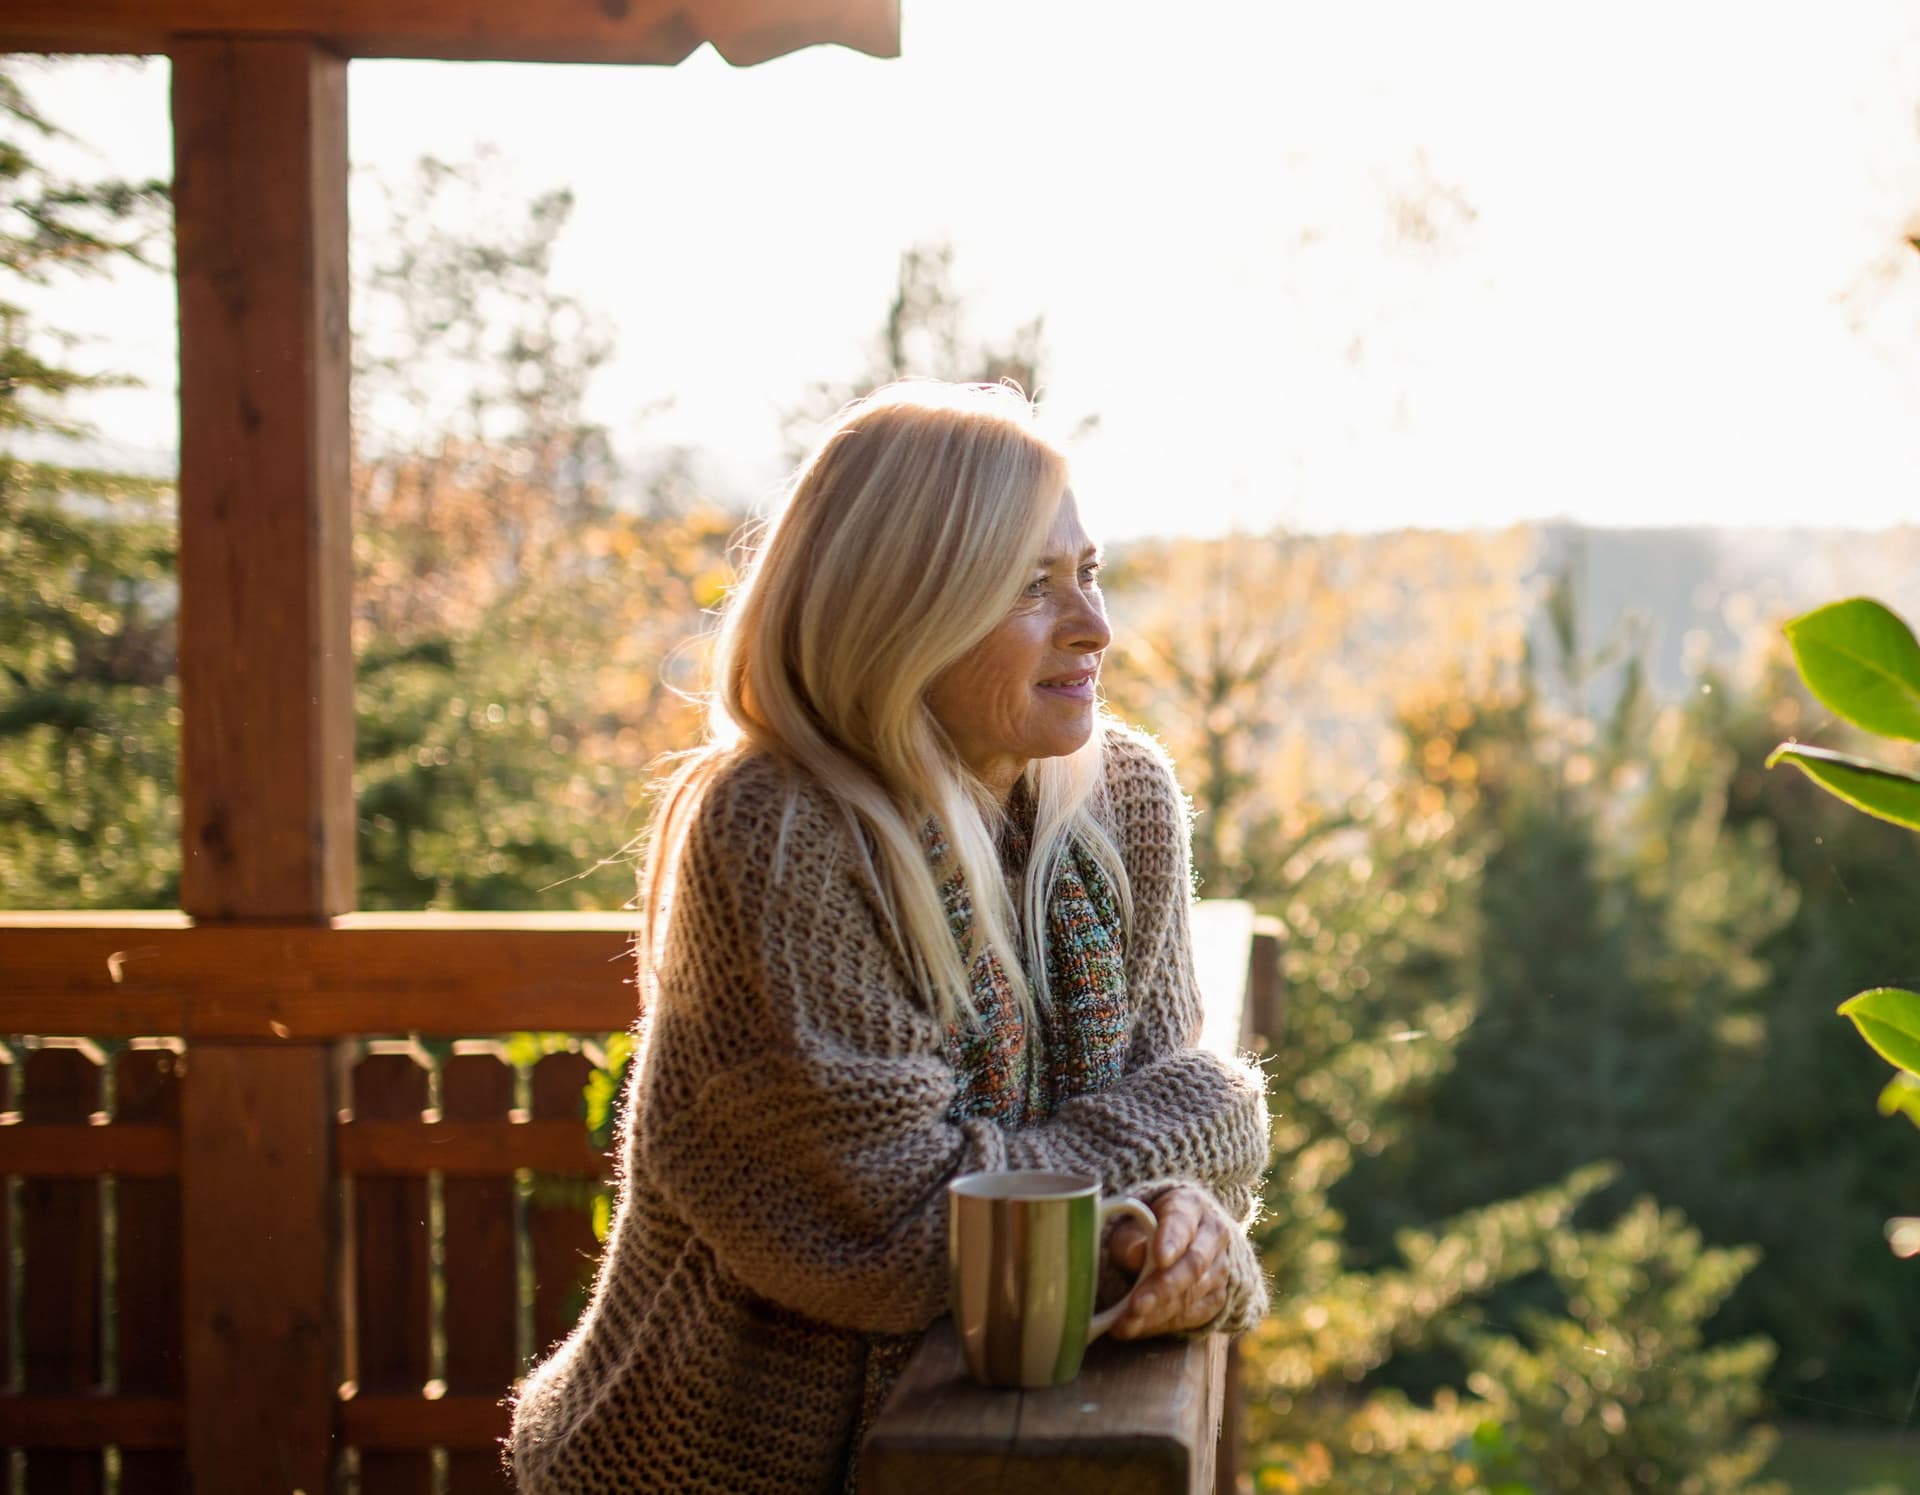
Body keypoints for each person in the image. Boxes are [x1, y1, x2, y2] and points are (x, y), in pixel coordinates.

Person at [509, 380, 1271, 1494]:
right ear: (906, 606)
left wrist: (1186, 1219)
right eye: (1031, 586)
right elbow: (907, 1234)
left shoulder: (1122, 803)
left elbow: (1167, 1166)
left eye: (1089, 574)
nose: (1096, 628)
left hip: (989, 1444)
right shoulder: (779, 830)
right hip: (716, 1467)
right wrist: (1201, 1127)